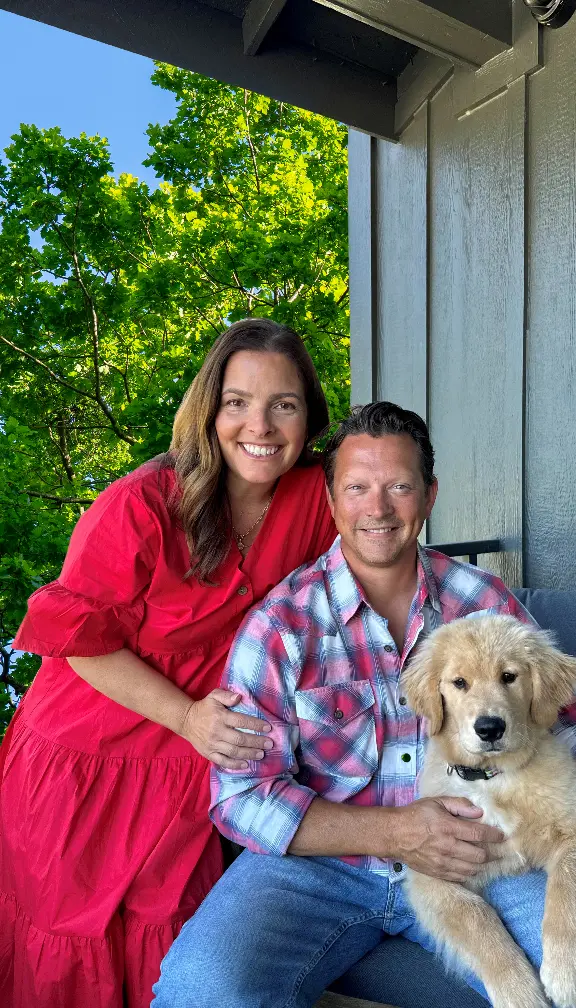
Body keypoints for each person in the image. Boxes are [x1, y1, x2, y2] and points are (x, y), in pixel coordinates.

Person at [152, 401, 576, 1008]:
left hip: (489, 849)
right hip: (321, 868)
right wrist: (399, 831)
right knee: (200, 989)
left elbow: (564, 716)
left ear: (429, 496)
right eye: (357, 488)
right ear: (330, 503)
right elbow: (241, 798)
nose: (377, 509)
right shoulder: (281, 625)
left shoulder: (480, 598)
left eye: (399, 487)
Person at [0, 318, 338, 1008]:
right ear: (207, 409)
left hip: (190, 768)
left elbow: (381, 523)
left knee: (175, 951)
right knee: (68, 950)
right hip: (82, 764)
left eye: (284, 404)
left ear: (308, 417)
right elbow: (75, 640)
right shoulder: (141, 503)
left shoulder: (314, 499)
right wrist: (186, 716)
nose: (260, 425)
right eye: (237, 401)